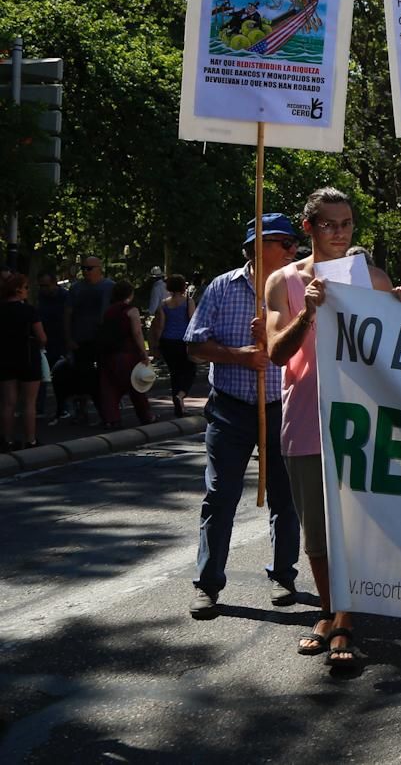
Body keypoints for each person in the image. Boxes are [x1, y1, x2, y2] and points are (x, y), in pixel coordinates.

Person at [265, 188, 401, 670]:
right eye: (329, 224)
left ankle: (345, 616)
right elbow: (276, 353)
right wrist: (309, 311)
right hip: (304, 418)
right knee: (317, 533)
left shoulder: (375, 279)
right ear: (309, 228)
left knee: (359, 528)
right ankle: (326, 608)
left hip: (363, 421)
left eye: (346, 223)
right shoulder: (282, 281)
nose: (339, 232)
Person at [186, 214, 302, 619]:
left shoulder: (297, 287)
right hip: (231, 409)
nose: (292, 249)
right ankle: (208, 584)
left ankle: (284, 576)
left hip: (284, 407)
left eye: (292, 243)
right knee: (220, 496)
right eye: (283, 242)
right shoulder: (222, 287)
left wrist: (272, 335)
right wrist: (241, 355)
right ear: (257, 245)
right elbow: (194, 345)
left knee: (286, 499)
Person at [96, 280, 154, 429]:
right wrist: (144, 353)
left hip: (108, 354)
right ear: (130, 294)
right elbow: (136, 332)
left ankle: (111, 418)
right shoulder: (131, 310)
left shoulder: (108, 311)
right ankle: (145, 415)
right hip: (127, 352)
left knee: (110, 387)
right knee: (135, 385)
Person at [63, 254, 113, 423]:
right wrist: (69, 338)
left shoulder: (110, 287)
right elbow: (68, 314)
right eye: (83, 268)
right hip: (81, 339)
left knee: (103, 376)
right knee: (82, 376)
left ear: (99, 269)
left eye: (89, 268)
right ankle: (82, 409)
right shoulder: (76, 288)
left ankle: (106, 411)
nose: (85, 271)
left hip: (103, 339)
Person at [0, 272, 46, 452]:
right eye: (26, 287)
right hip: (27, 357)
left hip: (4, 357)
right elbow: (42, 337)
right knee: (29, 402)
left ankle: (7, 439)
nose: (27, 290)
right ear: (18, 290)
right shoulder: (29, 310)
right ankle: (30, 439)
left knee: (7, 402)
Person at [150, 275, 197, 417]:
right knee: (190, 370)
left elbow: (160, 326)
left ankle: (179, 406)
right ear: (183, 286)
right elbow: (192, 321)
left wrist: (156, 344)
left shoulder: (164, 304)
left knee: (175, 373)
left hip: (168, 342)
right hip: (184, 342)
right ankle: (181, 395)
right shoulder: (188, 301)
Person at [34, 271, 68, 423]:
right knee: (42, 375)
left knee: (60, 376)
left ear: (54, 282)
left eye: (45, 285)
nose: (43, 289)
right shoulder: (43, 297)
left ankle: (64, 408)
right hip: (47, 339)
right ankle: (41, 407)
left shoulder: (65, 297)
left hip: (60, 339)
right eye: (41, 286)